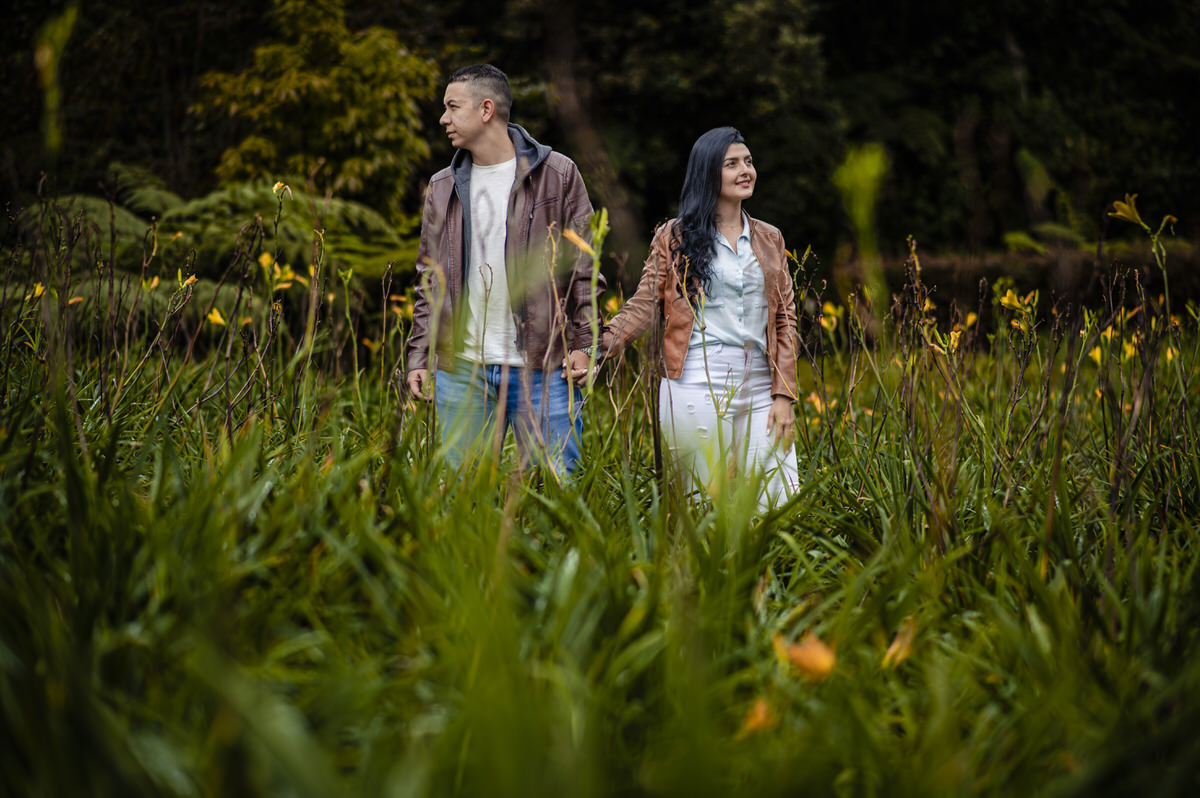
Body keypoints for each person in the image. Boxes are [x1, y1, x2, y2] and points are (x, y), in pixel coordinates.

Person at [405, 64, 605, 477]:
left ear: (486, 109)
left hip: (544, 365)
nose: (443, 118)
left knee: (556, 487)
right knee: (462, 495)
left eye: (452, 107)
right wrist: (419, 355)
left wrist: (585, 343)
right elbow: (429, 280)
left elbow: (584, 267)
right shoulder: (442, 187)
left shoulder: (558, 174)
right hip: (461, 368)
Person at [599, 126, 799, 505]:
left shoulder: (770, 237)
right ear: (708, 173)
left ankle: (770, 567)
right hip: (695, 380)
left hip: (760, 381)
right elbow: (646, 304)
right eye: (732, 164)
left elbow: (785, 318)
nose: (746, 170)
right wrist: (601, 344)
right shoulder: (674, 236)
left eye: (748, 161)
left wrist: (784, 394)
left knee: (777, 500)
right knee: (701, 501)